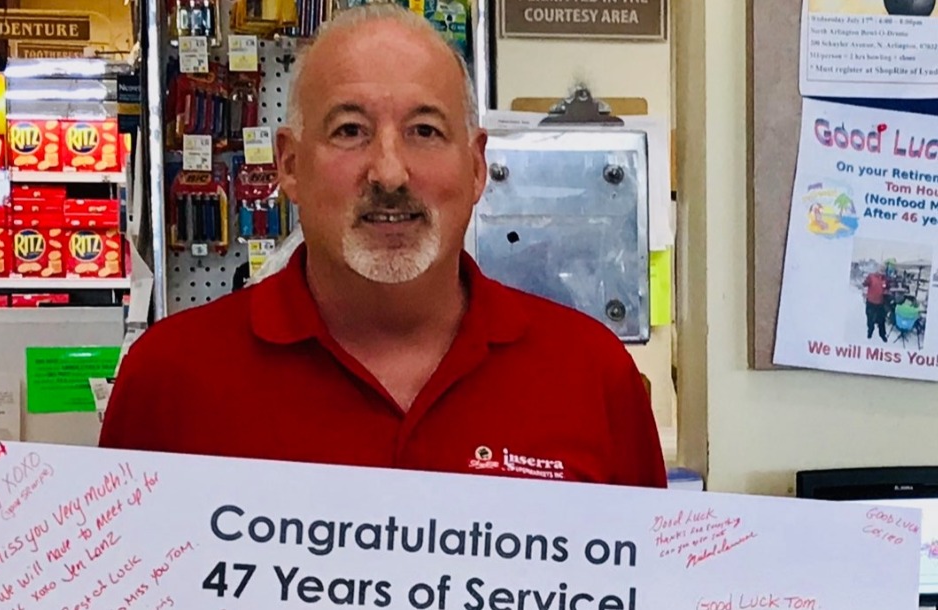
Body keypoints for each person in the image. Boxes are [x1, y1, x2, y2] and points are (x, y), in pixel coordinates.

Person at [99, 3, 667, 488]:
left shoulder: (592, 376)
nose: (390, 172)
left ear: (476, 167)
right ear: (289, 165)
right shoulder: (168, 381)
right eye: (350, 131)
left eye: (425, 131)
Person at [863, 268, 888, 342]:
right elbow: (865, 284)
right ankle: (870, 331)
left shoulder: (884, 279)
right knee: (870, 319)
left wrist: (886, 292)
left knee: (881, 320)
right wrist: (866, 281)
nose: (881, 272)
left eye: (883, 271)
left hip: (880, 303)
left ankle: (882, 334)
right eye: (880, 270)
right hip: (871, 302)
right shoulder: (871, 277)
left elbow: (885, 288)